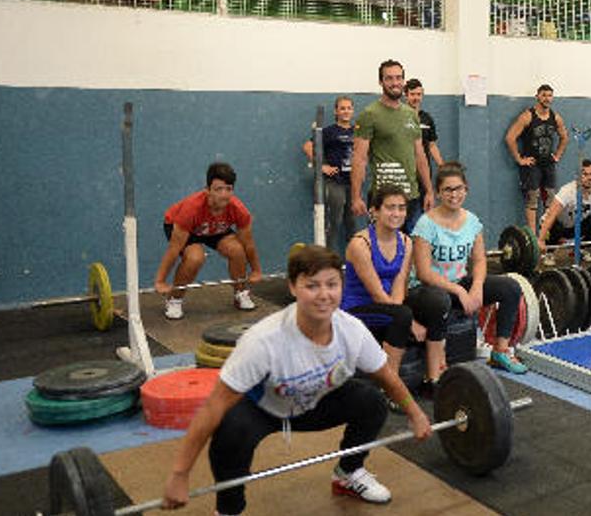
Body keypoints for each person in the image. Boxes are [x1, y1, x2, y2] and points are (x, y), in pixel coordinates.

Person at [160, 245, 433, 514]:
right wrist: (179, 474)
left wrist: (416, 413)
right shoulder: (263, 340)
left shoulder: (352, 330)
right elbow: (212, 407)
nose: (323, 295)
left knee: (371, 401)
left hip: (315, 402)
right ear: (293, 287)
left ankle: (348, 473)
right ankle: (229, 510)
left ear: (341, 286)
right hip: (264, 409)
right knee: (231, 431)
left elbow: (387, 375)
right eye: (312, 286)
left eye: (332, 284)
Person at [413, 162, 529, 374]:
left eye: (459, 188)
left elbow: (479, 261)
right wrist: (459, 290)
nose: (454, 194)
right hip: (430, 289)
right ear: (438, 193)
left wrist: (476, 287)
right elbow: (423, 272)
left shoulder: (472, 221)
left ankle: (500, 351)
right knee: (442, 300)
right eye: (447, 189)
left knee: (510, 287)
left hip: (460, 283)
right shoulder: (425, 224)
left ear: (466, 189)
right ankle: (437, 367)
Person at [341, 185, 449, 391]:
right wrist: (408, 321)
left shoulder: (406, 242)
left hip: (389, 307)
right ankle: (390, 388)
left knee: (436, 302)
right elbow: (377, 295)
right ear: (375, 211)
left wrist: (405, 315)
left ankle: (432, 380)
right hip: (359, 311)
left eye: (401, 208)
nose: (397, 213)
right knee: (402, 315)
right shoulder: (360, 244)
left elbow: (400, 287)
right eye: (390, 208)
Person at [154, 162, 263, 320]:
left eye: (229, 189)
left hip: (214, 228)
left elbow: (248, 244)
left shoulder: (238, 210)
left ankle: (240, 293)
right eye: (219, 189)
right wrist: (160, 280)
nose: (224, 194)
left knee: (237, 250)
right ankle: (174, 299)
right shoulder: (191, 209)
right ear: (208, 190)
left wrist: (256, 270)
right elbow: (174, 248)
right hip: (185, 228)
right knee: (195, 257)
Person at [350, 60, 434, 234]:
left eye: (398, 78)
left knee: (413, 249)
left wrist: (429, 191)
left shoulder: (411, 114)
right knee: (383, 251)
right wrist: (356, 196)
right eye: (389, 78)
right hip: (383, 200)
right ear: (381, 82)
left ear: (403, 81)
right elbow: (359, 158)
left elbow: (420, 156)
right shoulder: (369, 114)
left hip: (412, 197)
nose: (395, 83)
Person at [504, 84, 569, 235]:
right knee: (532, 201)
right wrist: (519, 159)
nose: (547, 98)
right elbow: (510, 138)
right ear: (537, 96)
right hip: (532, 166)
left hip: (548, 165)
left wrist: (557, 155)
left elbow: (564, 137)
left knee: (550, 200)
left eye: (549, 95)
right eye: (544, 95)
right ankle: (533, 236)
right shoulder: (527, 116)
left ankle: (545, 235)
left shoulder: (555, 117)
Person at [301, 96, 356, 256]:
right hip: (335, 183)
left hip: (352, 183)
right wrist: (321, 166)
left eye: (348, 108)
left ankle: (355, 261)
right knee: (335, 221)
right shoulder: (329, 131)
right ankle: (328, 260)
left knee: (351, 223)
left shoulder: (357, 132)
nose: (346, 111)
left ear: (352, 111)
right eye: (342, 108)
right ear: (336, 111)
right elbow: (307, 146)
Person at [538, 159, 591, 254]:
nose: (589, 178)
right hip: (555, 226)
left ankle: (578, 249)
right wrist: (541, 240)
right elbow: (551, 215)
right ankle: (549, 254)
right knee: (554, 227)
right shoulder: (567, 191)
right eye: (585, 174)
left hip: (574, 226)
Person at [405, 79, 445, 168]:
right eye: (412, 94)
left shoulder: (427, 118)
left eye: (419, 94)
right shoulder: (399, 117)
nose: (416, 98)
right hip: (405, 169)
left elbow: (432, 146)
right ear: (406, 96)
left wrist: (442, 166)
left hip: (424, 169)